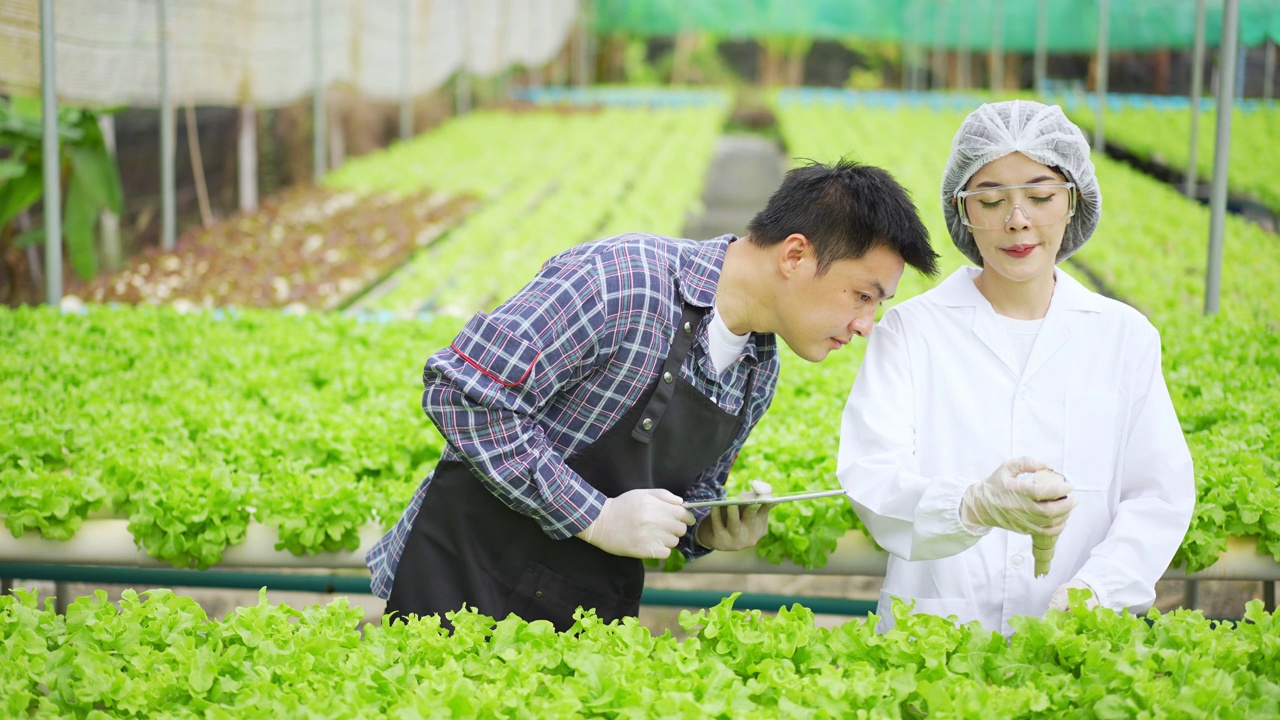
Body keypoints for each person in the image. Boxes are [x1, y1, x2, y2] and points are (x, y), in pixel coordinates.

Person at [366, 158, 940, 632]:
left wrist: (706, 527)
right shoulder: (622, 280)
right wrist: (593, 517)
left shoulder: (758, 369)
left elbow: (680, 496)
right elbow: (464, 393)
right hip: (459, 583)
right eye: (863, 295)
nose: (866, 324)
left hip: (581, 620)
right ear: (795, 255)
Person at [837, 100, 1195, 636]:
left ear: (1073, 203)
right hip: (937, 637)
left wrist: (1097, 589)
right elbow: (871, 476)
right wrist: (972, 506)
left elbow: (1158, 494)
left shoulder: (1123, 337)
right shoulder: (912, 332)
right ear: (963, 210)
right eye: (991, 198)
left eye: (1040, 195)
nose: (1017, 219)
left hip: (1077, 638)